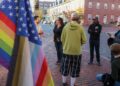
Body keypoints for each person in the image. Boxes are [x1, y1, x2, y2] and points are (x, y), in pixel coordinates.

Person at [60, 12, 87, 86]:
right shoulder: (80, 27)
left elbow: (62, 39)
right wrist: (78, 44)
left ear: (71, 18)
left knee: (65, 68)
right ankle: (72, 84)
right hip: (77, 52)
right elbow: (84, 40)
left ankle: (64, 83)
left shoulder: (65, 27)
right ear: (78, 19)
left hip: (66, 51)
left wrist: (66, 45)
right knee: (75, 69)